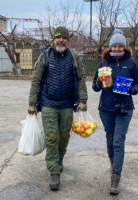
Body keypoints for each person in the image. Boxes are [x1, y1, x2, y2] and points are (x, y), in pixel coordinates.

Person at [28, 26, 88, 191]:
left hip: (67, 105)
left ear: (68, 41)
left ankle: (60, 158)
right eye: (58, 38)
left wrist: (83, 100)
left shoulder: (74, 57)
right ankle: (54, 171)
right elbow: (36, 80)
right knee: (52, 137)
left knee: (63, 136)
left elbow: (81, 79)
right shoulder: (45, 56)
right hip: (48, 104)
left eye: (64, 38)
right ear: (53, 41)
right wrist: (32, 103)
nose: (61, 40)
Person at [92, 29, 138, 195]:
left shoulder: (131, 63)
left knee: (119, 141)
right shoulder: (103, 63)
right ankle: (113, 163)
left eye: (121, 46)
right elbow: (94, 87)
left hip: (125, 108)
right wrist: (100, 82)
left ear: (124, 48)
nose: (118, 49)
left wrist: (131, 90)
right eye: (115, 46)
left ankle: (115, 177)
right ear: (111, 47)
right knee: (111, 140)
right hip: (106, 108)